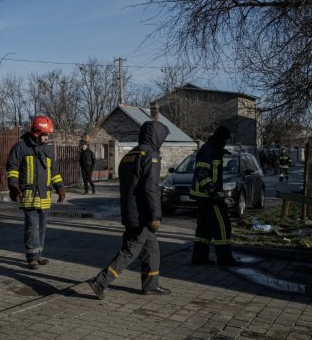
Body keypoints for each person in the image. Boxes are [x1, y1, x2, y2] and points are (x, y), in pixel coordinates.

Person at [88, 121, 171, 299]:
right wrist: (155, 215)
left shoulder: (130, 155)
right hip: (142, 215)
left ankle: (151, 285)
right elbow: (151, 188)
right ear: (156, 136)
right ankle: (100, 281)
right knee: (130, 250)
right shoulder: (150, 154)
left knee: (152, 248)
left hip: (129, 211)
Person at [6, 116, 65, 270]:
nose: (47, 138)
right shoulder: (21, 148)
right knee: (32, 226)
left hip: (44, 196)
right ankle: (31, 257)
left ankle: (38, 255)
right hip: (29, 195)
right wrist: (13, 185)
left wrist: (60, 187)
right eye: (45, 135)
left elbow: (54, 172)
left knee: (42, 227)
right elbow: (12, 168)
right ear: (36, 133)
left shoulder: (48, 150)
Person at [190, 126, 238, 266]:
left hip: (205, 196)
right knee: (223, 226)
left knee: (204, 228)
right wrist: (213, 191)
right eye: (224, 140)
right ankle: (225, 259)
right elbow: (202, 173)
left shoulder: (212, 148)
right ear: (220, 138)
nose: (225, 142)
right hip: (209, 196)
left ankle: (199, 257)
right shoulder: (208, 150)